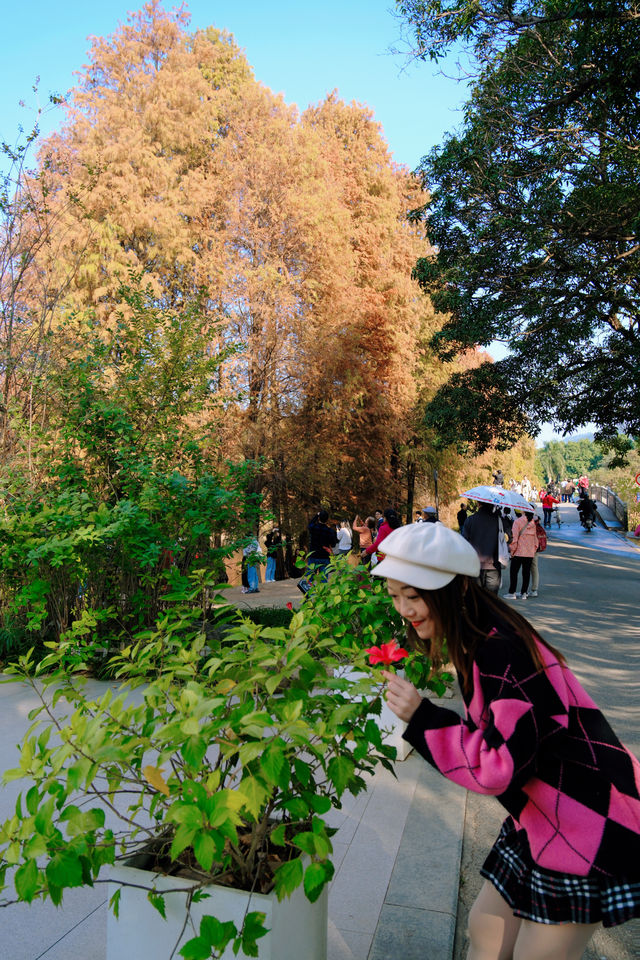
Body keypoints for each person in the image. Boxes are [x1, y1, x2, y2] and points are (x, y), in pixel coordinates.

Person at [371, 522, 640, 960]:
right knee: (485, 932)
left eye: (414, 596)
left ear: (453, 591)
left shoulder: (498, 650)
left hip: (587, 821)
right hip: (542, 815)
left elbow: (500, 768)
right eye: (396, 594)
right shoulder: (480, 633)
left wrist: (422, 718)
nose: (404, 609)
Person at [462, 502, 503, 595]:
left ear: (478, 504)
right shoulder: (498, 520)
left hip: (475, 565)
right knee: (492, 599)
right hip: (493, 565)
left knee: (476, 597)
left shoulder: (470, 520)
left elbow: (464, 542)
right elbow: (506, 539)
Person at [505, 510, 537, 599]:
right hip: (529, 552)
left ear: (523, 510)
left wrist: (512, 551)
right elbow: (535, 539)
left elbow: (514, 538)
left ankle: (512, 593)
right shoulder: (532, 523)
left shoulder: (518, 521)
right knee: (526, 573)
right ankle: (524, 593)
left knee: (514, 572)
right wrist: (533, 550)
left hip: (518, 552)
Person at [307, 510, 338, 576]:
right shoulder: (330, 531)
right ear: (327, 519)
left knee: (310, 578)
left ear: (319, 518)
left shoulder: (314, 528)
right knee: (323, 579)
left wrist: (316, 515)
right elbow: (333, 544)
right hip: (324, 557)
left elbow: (310, 524)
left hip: (313, 555)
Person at [529, 516, 547, 597]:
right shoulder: (537, 524)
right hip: (536, 549)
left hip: (527, 549)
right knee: (534, 568)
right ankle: (534, 589)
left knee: (525, 570)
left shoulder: (527, 522)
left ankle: (524, 591)